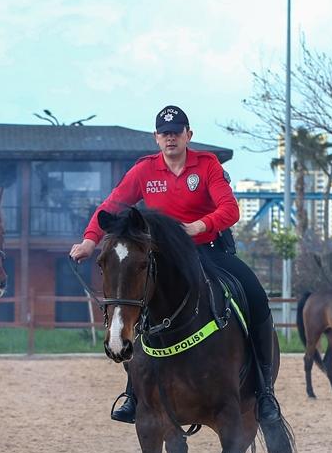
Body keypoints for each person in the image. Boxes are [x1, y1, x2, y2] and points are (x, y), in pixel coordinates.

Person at [69, 105, 282, 425]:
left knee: (255, 295)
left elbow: (230, 209)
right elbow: (111, 206)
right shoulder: (144, 170)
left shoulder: (207, 165)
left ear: (188, 135)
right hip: (161, 256)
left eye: (176, 133)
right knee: (137, 297)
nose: (170, 138)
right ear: (156, 138)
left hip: (208, 249)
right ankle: (133, 392)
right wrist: (89, 240)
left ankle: (264, 391)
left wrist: (199, 226)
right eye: (164, 133)